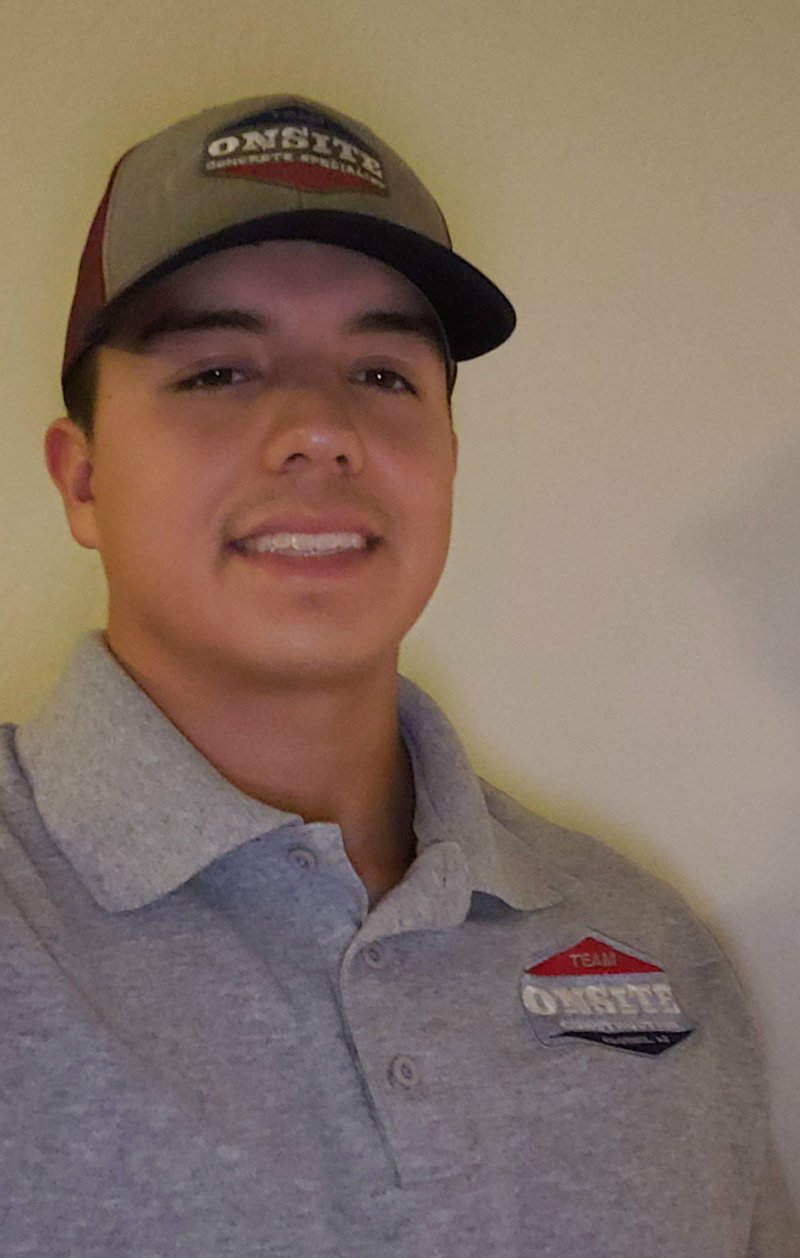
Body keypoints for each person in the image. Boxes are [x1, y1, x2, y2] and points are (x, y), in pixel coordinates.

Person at [1, 94, 795, 1257]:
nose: (320, 428)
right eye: (216, 371)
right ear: (81, 480)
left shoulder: (652, 948)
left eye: (381, 374)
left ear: (447, 463)